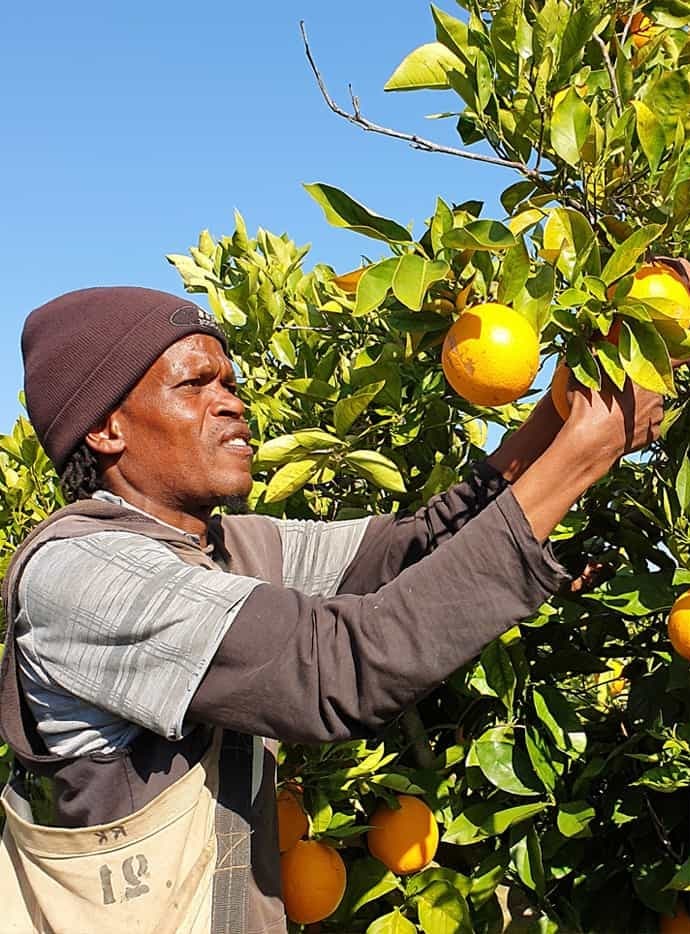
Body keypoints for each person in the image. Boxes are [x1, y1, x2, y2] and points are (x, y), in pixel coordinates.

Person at [0, 285, 663, 933]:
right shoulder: (81, 577)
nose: (232, 403)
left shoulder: (226, 548)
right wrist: (584, 453)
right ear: (106, 428)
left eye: (229, 383)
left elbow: (413, 547)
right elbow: (337, 670)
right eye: (195, 384)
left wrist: (568, 400)